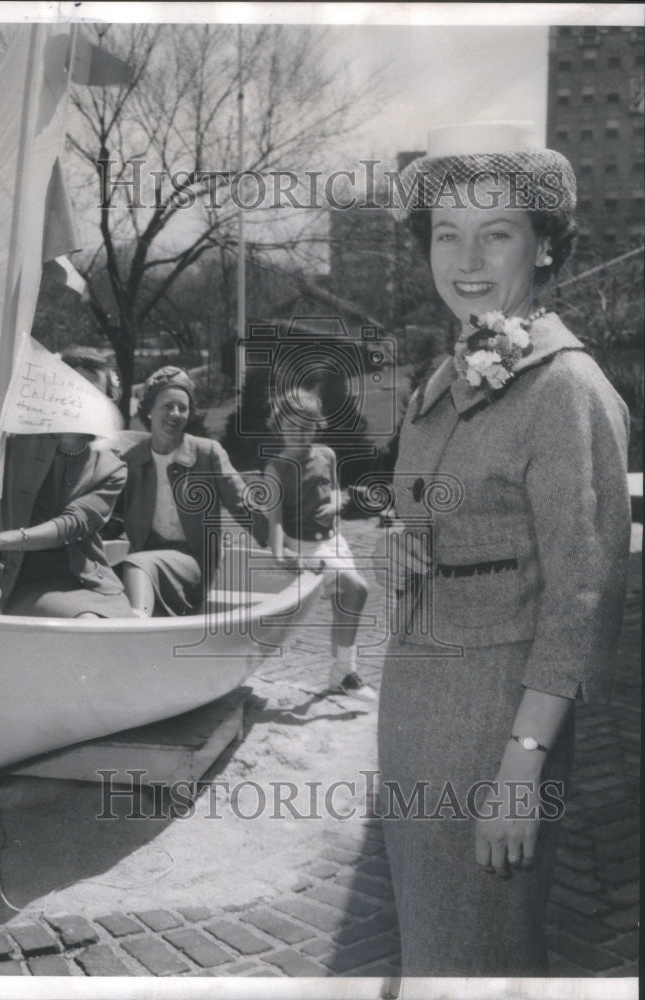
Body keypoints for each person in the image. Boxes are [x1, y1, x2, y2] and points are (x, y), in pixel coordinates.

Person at [378, 121, 631, 976]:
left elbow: (582, 598)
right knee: (435, 954)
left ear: (546, 247)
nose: (466, 257)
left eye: (496, 232)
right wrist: (406, 551)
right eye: (446, 234)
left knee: (477, 963)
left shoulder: (565, 388)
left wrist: (521, 769)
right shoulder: (442, 380)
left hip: (493, 736)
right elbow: (427, 517)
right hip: (413, 721)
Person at [0, 347, 134, 619]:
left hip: (94, 585)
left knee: (115, 630)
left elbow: (68, 527)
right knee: (89, 625)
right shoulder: (12, 443)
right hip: (25, 582)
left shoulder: (112, 468)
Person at [116, 366, 261, 616]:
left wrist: (282, 544)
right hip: (145, 561)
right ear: (149, 410)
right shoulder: (131, 461)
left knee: (137, 565)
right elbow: (108, 518)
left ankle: (134, 627)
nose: (176, 414)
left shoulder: (207, 453)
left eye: (182, 408)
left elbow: (243, 505)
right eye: (167, 406)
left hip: (193, 563)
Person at [263, 387, 373, 700]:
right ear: (279, 424)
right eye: (291, 425)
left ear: (316, 426)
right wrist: (279, 553)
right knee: (359, 589)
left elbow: (337, 491)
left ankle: (341, 675)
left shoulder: (327, 454)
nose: (298, 433)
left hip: (335, 543)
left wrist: (337, 505)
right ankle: (346, 673)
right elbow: (275, 522)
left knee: (346, 605)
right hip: (304, 549)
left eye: (306, 426)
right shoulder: (276, 469)